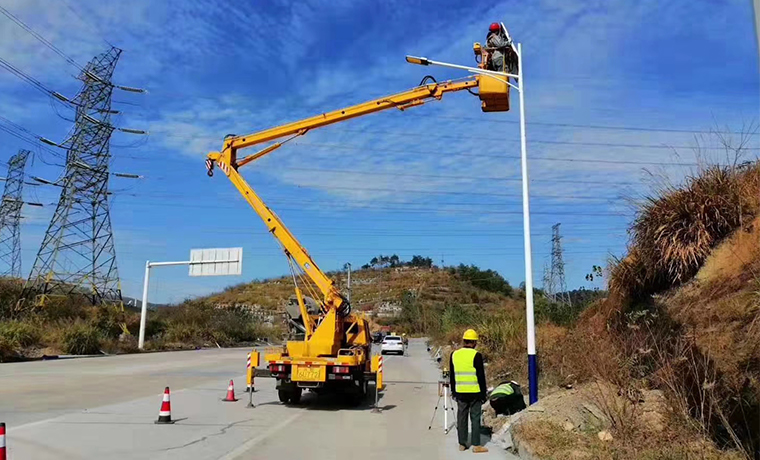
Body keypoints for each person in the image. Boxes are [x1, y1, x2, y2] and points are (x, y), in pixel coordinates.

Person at [449, 329, 488, 453]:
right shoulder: (476, 355)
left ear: (464, 340)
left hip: (460, 391)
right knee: (475, 417)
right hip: (475, 392)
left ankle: (462, 443)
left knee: (462, 417)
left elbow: (452, 376)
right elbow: (481, 376)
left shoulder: (454, 354)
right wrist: (483, 393)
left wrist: (454, 392)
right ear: (475, 342)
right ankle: (476, 445)